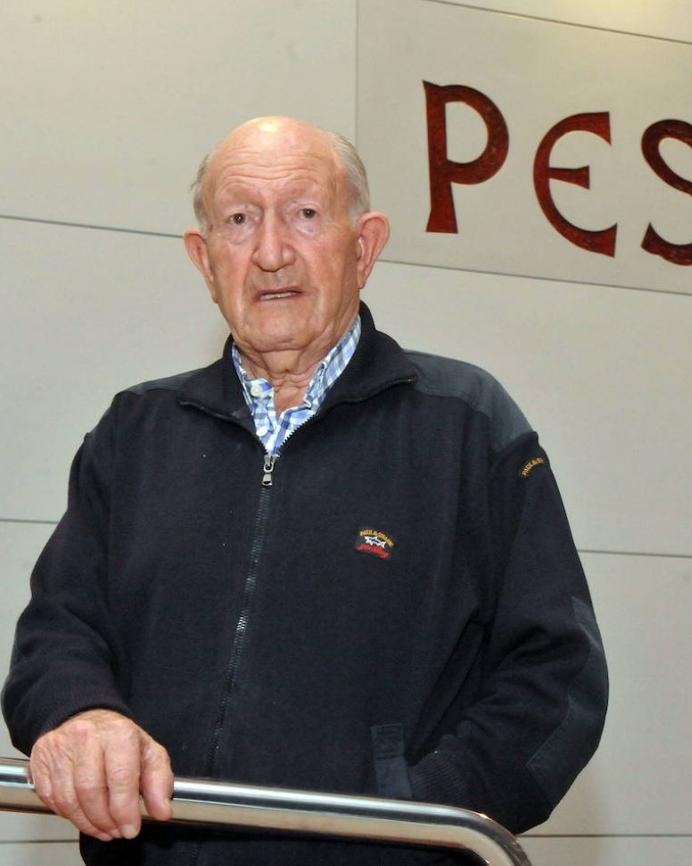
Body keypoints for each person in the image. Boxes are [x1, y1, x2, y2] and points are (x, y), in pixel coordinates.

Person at [3, 117, 607, 864]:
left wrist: (414, 821)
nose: (270, 252)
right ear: (203, 257)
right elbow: (59, 632)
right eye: (238, 220)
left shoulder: (467, 425)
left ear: (365, 246)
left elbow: (560, 679)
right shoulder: (137, 429)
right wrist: (80, 713)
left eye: (305, 214)